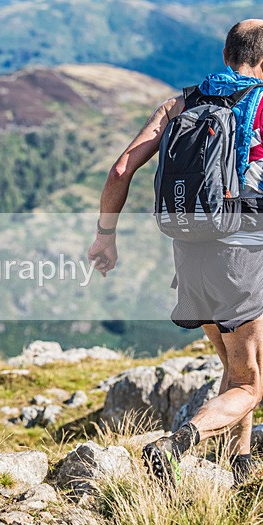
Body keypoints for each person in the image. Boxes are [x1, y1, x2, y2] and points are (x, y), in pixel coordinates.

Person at [88, 19, 263, 488]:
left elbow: (122, 167)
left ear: (226, 56)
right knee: (249, 383)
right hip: (243, 256)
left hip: (189, 252)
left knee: (233, 364)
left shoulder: (180, 103)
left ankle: (242, 461)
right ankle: (180, 441)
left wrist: (106, 235)